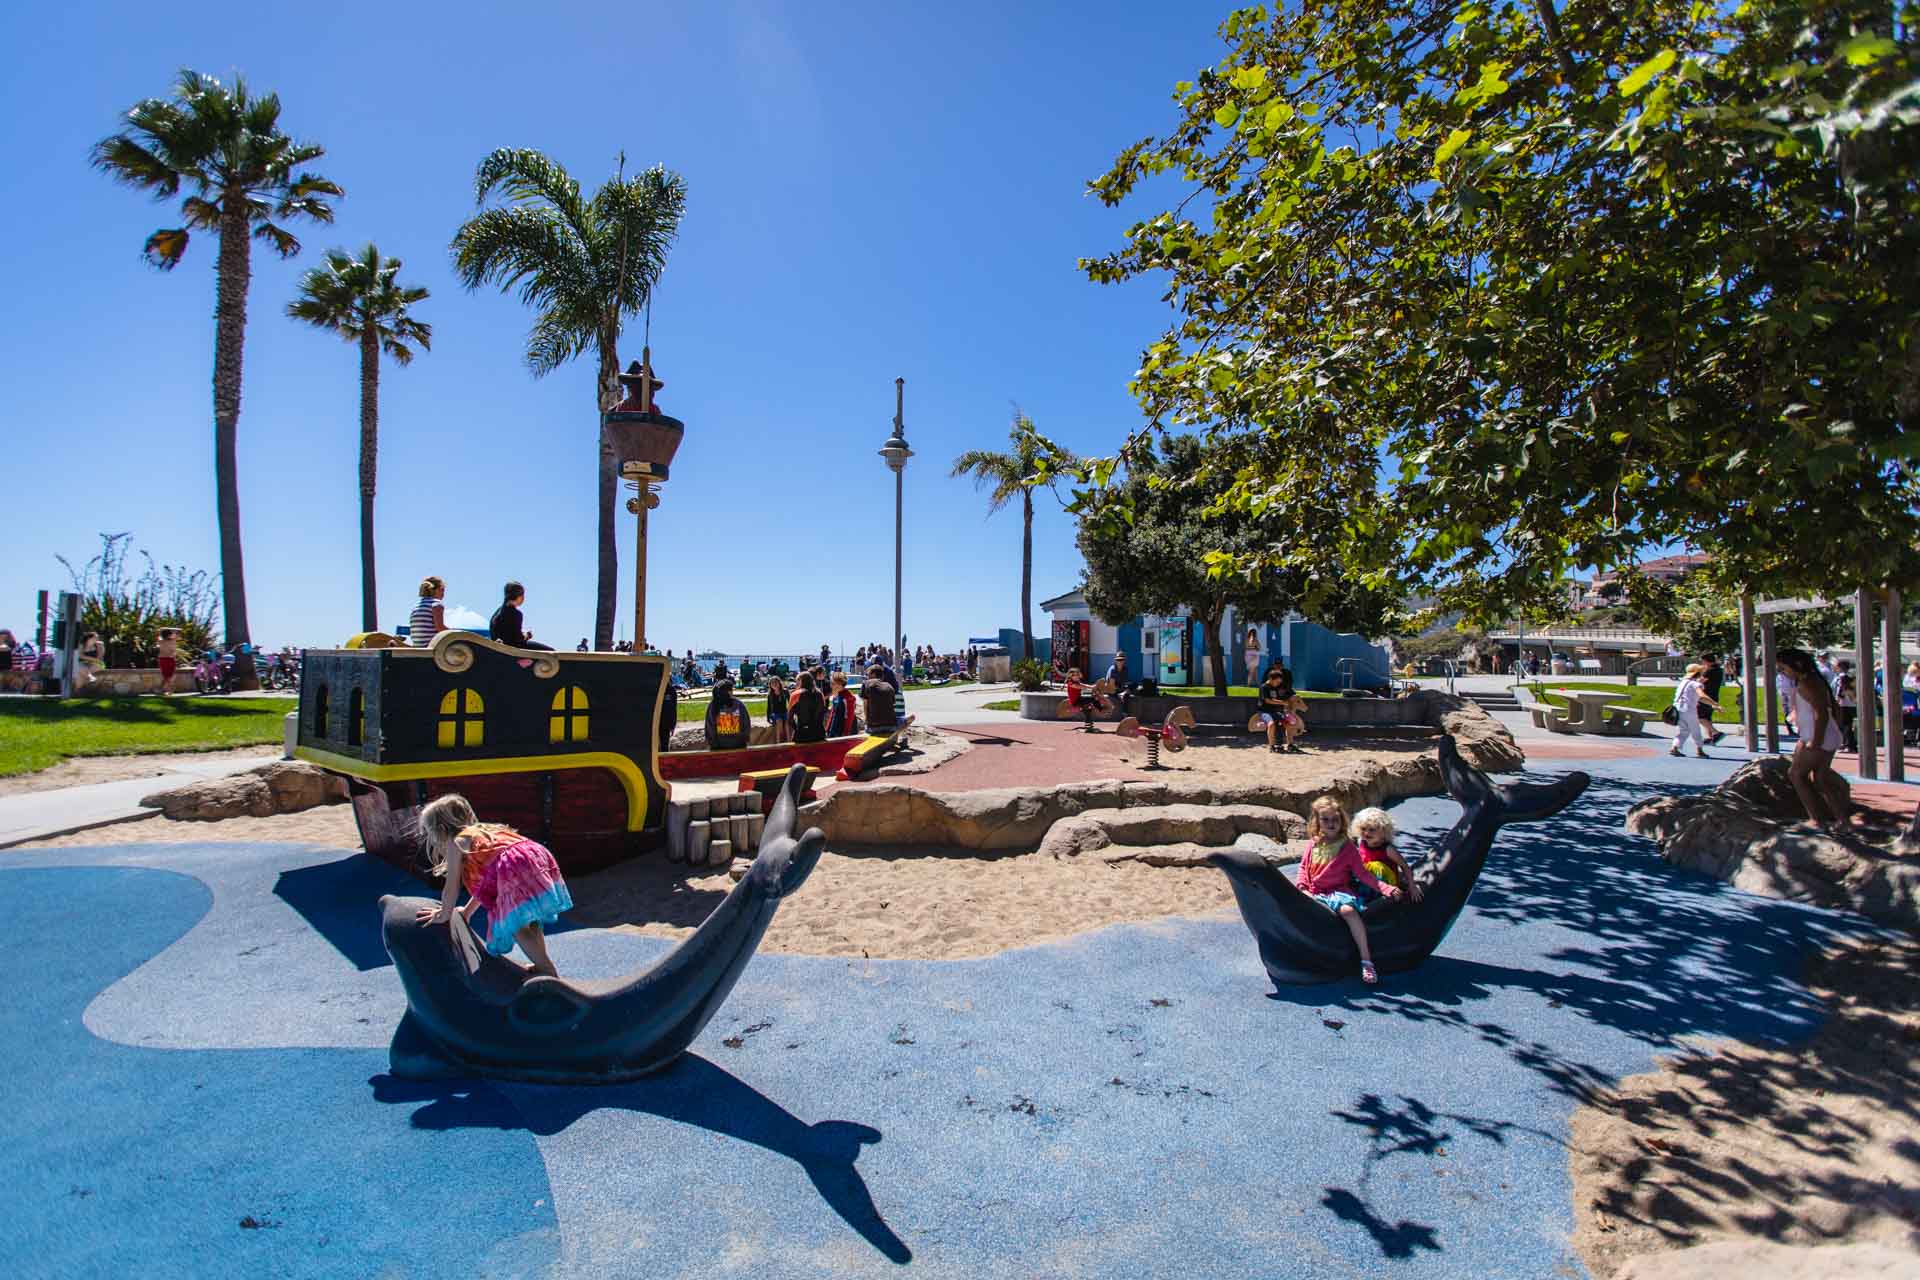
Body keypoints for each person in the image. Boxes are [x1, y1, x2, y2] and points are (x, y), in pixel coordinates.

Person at [413, 793, 571, 977]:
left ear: (441, 829)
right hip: (535, 855)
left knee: (516, 925)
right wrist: (467, 912)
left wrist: (445, 913)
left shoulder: (457, 842)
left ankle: (547, 970)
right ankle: (541, 963)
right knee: (530, 919)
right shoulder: (487, 831)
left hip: (514, 864)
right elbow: (487, 885)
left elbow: (451, 886)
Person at [1295, 795, 1401, 985]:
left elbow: (1363, 874)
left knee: (1349, 911)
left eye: (1335, 819)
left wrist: (1385, 888)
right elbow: (1303, 868)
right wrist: (1302, 887)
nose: (1331, 823)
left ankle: (1366, 960)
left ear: (1341, 821)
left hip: (1337, 891)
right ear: (1317, 821)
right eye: (1325, 819)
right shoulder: (1313, 843)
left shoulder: (1347, 847)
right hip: (1315, 891)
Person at [1778, 648, 1852, 831]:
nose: (1783, 672)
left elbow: (1821, 713)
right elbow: (1832, 709)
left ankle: (1817, 820)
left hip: (1817, 735)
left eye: (1783, 668)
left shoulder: (1808, 683)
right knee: (1820, 778)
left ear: (1796, 665)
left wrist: (1815, 741)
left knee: (1796, 774)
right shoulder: (1812, 681)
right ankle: (1842, 820)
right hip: (1821, 734)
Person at [1350, 807, 1424, 904]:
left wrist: (1412, 886)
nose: (1367, 833)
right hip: (1371, 878)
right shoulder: (1362, 842)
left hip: (1387, 881)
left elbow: (1404, 865)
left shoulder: (1388, 849)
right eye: (1363, 829)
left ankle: (1366, 896)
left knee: (1376, 866)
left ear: (1383, 831)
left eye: (1372, 829)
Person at [1669, 663, 1719, 758]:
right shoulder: (1696, 684)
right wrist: (1714, 704)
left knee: (1683, 730)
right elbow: (1701, 696)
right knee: (1696, 730)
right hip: (1689, 709)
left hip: (1678, 709)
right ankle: (1699, 750)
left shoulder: (1683, 683)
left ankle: (1675, 747)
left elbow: (1695, 696)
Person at [489, 581, 551, 651]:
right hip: (514, 651)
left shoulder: (497, 613)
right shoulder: (516, 614)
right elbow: (518, 641)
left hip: (500, 650)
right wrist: (527, 636)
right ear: (519, 596)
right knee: (551, 651)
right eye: (523, 595)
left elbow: (506, 634)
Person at [703, 679, 751, 751]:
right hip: (724, 747)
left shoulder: (712, 705)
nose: (733, 692)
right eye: (731, 690)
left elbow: (709, 727)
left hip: (733, 745)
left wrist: (712, 742)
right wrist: (745, 739)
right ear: (728, 691)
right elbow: (746, 724)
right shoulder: (714, 705)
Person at [790, 671, 828, 743]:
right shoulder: (820, 694)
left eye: (797, 681)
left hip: (803, 733)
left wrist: (797, 729)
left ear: (800, 681)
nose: (796, 683)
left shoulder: (795, 694)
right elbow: (823, 712)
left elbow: (790, 719)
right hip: (819, 733)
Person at [1697, 652, 1726, 745]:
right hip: (1714, 696)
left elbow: (1700, 681)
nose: (1702, 663)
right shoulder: (1719, 669)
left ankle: (1716, 732)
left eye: (1703, 661)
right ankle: (1710, 737)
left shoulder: (1709, 671)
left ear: (1707, 661)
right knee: (1707, 718)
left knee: (1699, 717)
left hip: (1705, 696)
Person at [409, 576, 447, 646]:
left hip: (417, 646)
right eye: (442, 590)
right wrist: (455, 633)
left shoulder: (416, 605)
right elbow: (440, 628)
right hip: (430, 646)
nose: (443, 594)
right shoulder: (436, 604)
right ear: (436, 590)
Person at [861, 663, 899, 733]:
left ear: (873, 674)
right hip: (892, 726)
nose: (867, 676)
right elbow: (892, 705)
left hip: (874, 726)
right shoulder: (889, 686)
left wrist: (866, 720)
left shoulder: (866, 683)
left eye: (868, 674)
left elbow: (865, 704)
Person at [826, 671, 860, 737]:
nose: (831, 686)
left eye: (833, 683)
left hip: (844, 729)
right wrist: (828, 729)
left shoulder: (848, 697)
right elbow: (833, 713)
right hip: (835, 727)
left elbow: (850, 716)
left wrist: (845, 733)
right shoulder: (836, 695)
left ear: (839, 684)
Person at [764, 676, 790, 744]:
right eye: (772, 683)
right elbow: (769, 707)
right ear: (770, 685)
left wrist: (792, 713)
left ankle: (789, 741)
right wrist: (768, 717)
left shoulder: (785, 692)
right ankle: (779, 742)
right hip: (775, 713)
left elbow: (790, 703)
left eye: (776, 682)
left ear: (779, 683)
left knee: (787, 723)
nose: (774, 684)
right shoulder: (770, 694)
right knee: (779, 722)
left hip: (784, 712)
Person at [155, 627, 180, 697]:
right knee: (167, 676)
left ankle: (160, 689)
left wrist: (161, 630)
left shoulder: (160, 641)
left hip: (164, 659)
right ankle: (169, 690)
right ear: (169, 635)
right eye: (170, 634)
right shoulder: (173, 640)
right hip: (169, 659)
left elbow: (157, 635)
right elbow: (178, 631)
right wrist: (171, 629)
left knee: (167, 676)